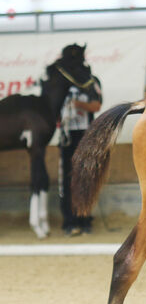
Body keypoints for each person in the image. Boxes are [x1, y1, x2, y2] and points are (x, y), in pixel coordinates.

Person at [59, 67, 102, 236]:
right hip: (67, 136)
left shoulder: (92, 81)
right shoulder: (62, 83)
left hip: (86, 136)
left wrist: (77, 104)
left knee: (86, 178)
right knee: (67, 180)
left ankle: (85, 220)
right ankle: (70, 222)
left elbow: (96, 105)